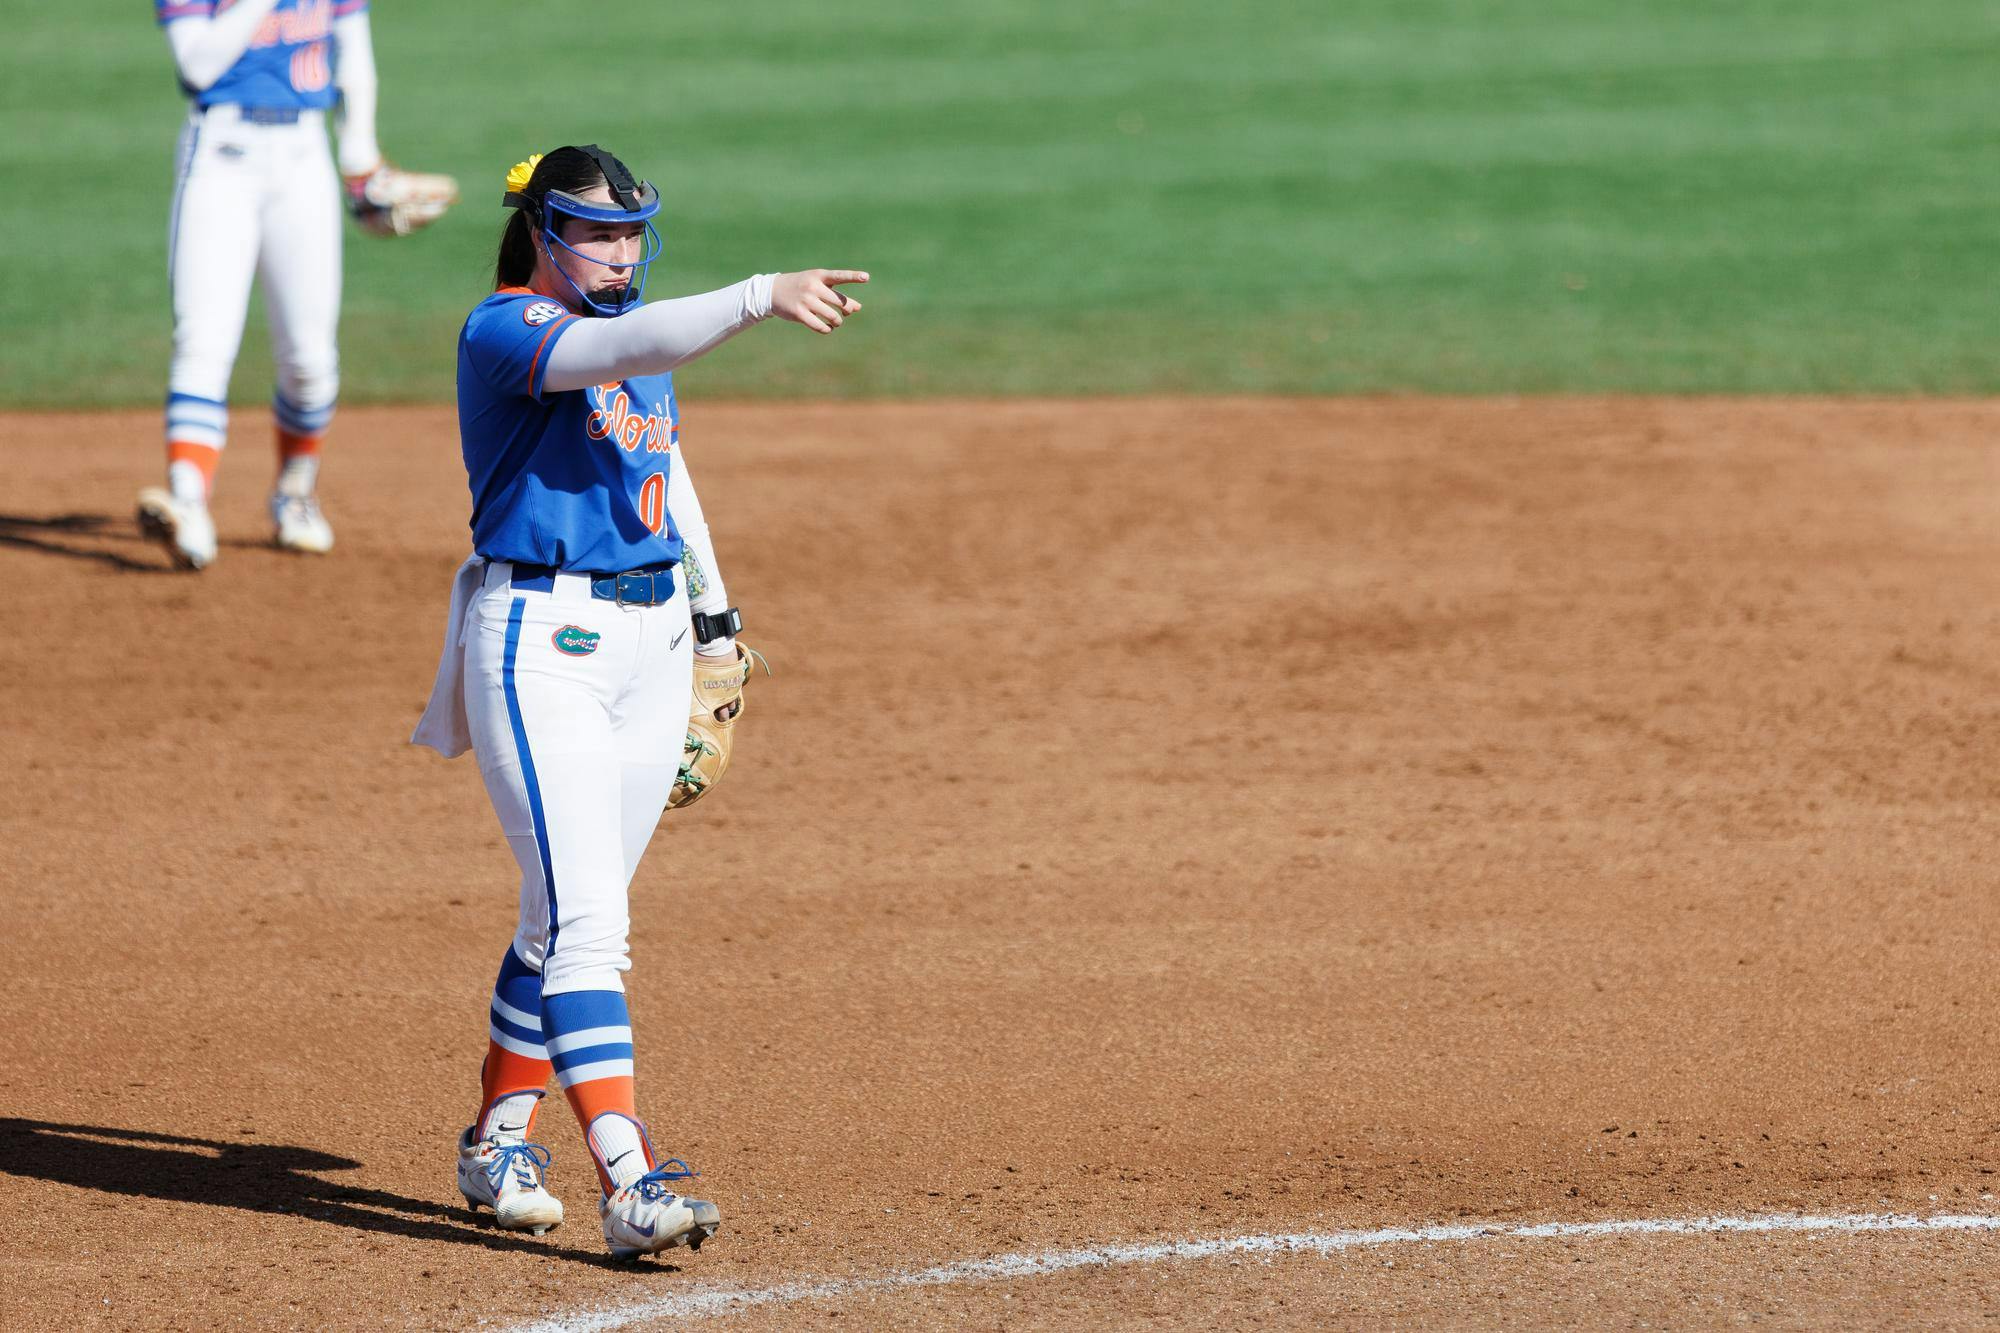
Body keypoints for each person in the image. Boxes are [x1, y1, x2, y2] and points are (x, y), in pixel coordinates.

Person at [408, 144, 866, 1259]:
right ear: (541, 231)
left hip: (652, 643)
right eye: (596, 234)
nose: (618, 254)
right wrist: (759, 295)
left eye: (628, 234)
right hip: (541, 648)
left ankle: (495, 1141)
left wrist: (712, 622)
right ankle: (631, 1181)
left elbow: (668, 469)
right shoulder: (507, 329)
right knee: (590, 929)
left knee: (560, 914)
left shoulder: (632, 325)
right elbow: (623, 346)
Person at [138, 0, 457, 570]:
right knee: (203, 339)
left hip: (305, 156)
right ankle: (189, 504)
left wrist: (360, 160)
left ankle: (295, 492)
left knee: (310, 359)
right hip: (219, 156)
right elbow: (198, 68)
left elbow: (353, 53)